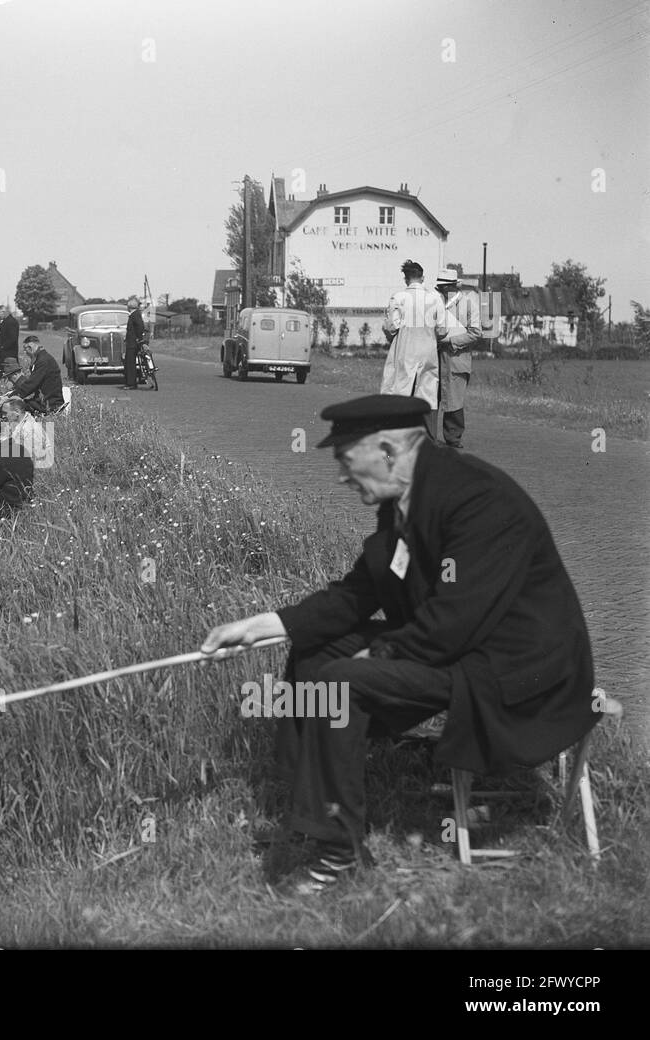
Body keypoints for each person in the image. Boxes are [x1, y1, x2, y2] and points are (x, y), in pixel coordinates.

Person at [199, 394, 599, 895]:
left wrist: (377, 657)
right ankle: (313, 814)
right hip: (460, 647)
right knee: (318, 651)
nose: (343, 475)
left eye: (346, 459)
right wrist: (267, 624)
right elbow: (360, 591)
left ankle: (339, 855)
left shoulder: (478, 499)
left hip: (513, 670)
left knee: (340, 681)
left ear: (388, 450)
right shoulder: (406, 498)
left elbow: (455, 620)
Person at [380, 260, 447, 439]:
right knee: (428, 392)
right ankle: (429, 437)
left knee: (400, 389)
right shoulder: (435, 298)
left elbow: (391, 326)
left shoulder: (398, 298)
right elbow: (442, 329)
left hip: (405, 349)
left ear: (405, 279)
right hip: (428, 350)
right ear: (423, 277)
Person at [433, 268, 482, 449]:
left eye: (445, 286)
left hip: (456, 357)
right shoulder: (436, 303)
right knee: (433, 397)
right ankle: (429, 435)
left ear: (454, 286)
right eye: (441, 287)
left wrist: (451, 341)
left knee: (454, 399)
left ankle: (453, 437)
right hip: (437, 357)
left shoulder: (469, 304)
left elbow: (476, 332)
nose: (442, 290)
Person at [9, 335, 66, 416]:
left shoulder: (43, 361)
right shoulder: (42, 358)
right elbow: (33, 385)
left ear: (30, 348)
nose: (25, 353)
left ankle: (10, 428)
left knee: (11, 408)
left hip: (49, 405)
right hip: (47, 401)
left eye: (25, 350)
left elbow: (32, 384)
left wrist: (13, 396)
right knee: (18, 404)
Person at [121, 298, 147, 390]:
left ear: (129, 307)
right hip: (132, 342)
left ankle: (131, 383)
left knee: (130, 363)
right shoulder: (135, 314)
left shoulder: (134, 315)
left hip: (133, 343)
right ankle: (131, 382)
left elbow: (140, 327)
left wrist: (137, 338)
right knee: (129, 362)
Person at [0, 304, 20, 380]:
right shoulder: (5, 321)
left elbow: (12, 339)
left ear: (3, 312)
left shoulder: (11, 322)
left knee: (11, 374)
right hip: (3, 352)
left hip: (9, 353)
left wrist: (2, 346)